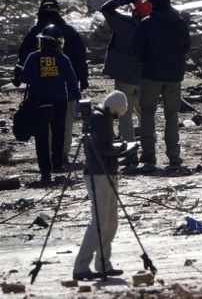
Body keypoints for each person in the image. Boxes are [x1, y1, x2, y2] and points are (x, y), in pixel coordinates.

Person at [14, 0, 89, 166]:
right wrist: (82, 82)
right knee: (62, 128)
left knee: (42, 129)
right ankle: (61, 157)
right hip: (62, 95)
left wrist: (20, 76)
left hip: (38, 96)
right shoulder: (68, 33)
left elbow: (22, 60)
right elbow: (80, 58)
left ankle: (45, 164)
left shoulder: (34, 34)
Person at [73, 91, 132, 280]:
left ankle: (103, 265)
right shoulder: (99, 119)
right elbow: (100, 148)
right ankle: (81, 267)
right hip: (98, 175)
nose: (116, 118)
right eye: (117, 114)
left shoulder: (103, 117)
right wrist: (121, 149)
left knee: (110, 222)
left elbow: (103, 145)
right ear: (114, 109)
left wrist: (118, 148)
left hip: (107, 173)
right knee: (99, 222)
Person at [132, 0, 190, 172]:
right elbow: (187, 47)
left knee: (147, 114)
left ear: (152, 1)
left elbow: (136, 50)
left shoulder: (146, 24)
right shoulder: (181, 22)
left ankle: (149, 156)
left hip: (151, 75)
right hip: (174, 76)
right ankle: (174, 156)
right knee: (171, 115)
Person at [19, 25, 81, 184]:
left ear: (42, 41)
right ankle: (58, 164)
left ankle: (45, 171)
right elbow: (72, 81)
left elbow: (24, 79)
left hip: (38, 101)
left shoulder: (33, 57)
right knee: (59, 131)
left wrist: (20, 72)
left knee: (41, 136)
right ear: (59, 43)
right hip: (59, 100)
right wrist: (76, 98)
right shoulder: (63, 58)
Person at [99, 0, 152, 167]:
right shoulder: (154, 27)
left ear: (135, 12)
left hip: (125, 78)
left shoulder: (125, 24)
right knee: (146, 116)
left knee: (125, 117)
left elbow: (105, 8)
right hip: (146, 78)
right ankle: (149, 154)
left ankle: (130, 156)